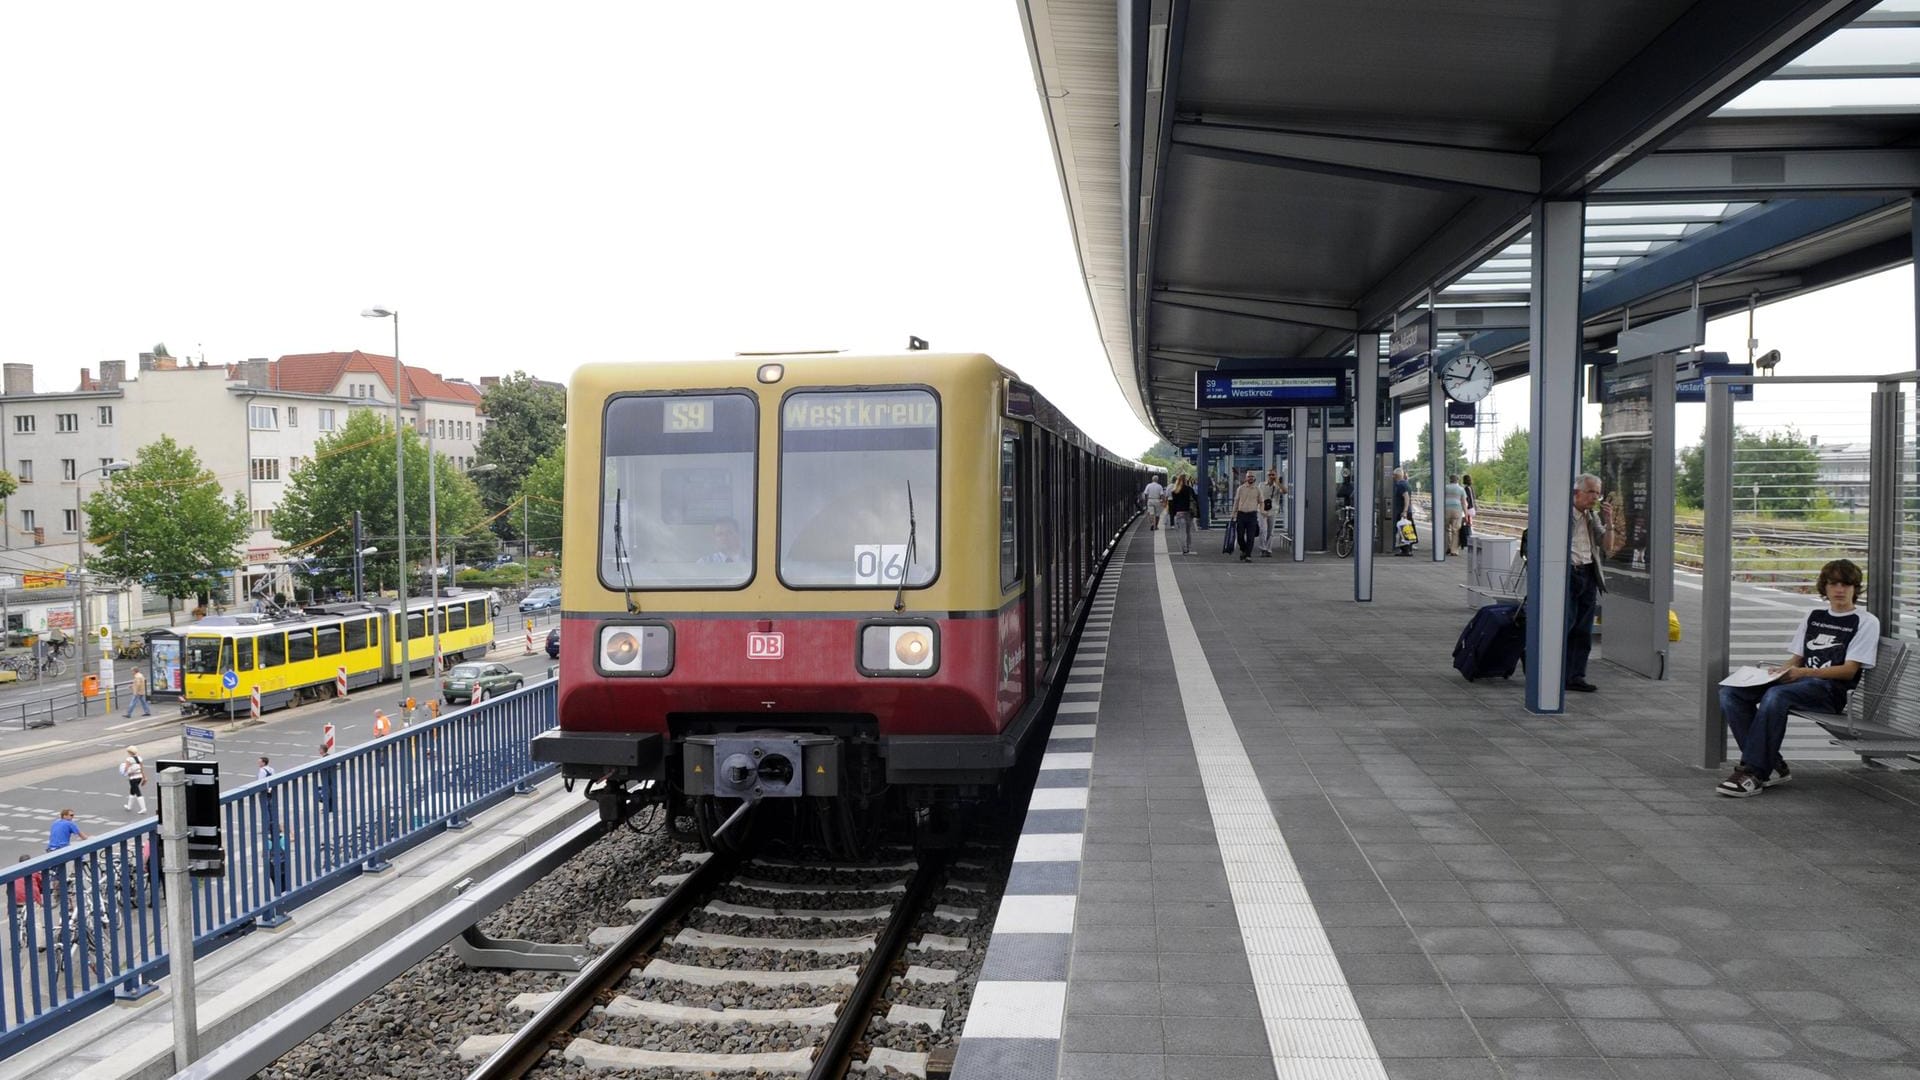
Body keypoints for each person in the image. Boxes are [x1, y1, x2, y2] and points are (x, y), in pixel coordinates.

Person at [1716, 559, 1878, 797]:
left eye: (1846, 584)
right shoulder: (1814, 616)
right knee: (1730, 694)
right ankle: (1773, 765)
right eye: (1833, 584)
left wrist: (1802, 673)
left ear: (1855, 588)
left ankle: (1754, 772)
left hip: (1829, 691)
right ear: (1825, 587)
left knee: (1776, 695)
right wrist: (1778, 673)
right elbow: (1797, 658)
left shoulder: (1865, 622)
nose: (1840, 590)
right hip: (1801, 682)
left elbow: (1849, 670)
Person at [1565, 473, 1613, 693]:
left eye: (1597, 492)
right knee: (1567, 625)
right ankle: (1557, 673)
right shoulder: (1565, 514)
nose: (1596, 497)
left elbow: (1608, 546)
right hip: (1569, 574)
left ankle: (1576, 675)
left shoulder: (1592, 516)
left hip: (1588, 574)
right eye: (1591, 492)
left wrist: (1609, 523)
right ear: (1577, 493)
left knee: (1583, 630)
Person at [1232, 470, 1262, 562]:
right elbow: (1236, 501)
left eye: (1252, 476)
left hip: (1252, 515)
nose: (1250, 478)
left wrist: (1262, 511)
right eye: (1249, 476)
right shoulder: (1240, 489)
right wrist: (1234, 514)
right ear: (1246, 478)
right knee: (1240, 536)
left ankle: (1248, 555)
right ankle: (1244, 550)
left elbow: (1261, 502)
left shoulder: (1257, 489)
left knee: (1251, 537)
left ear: (1254, 478)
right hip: (1241, 514)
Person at [1256, 468, 1286, 558]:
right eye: (1269, 475)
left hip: (1272, 511)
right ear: (1267, 476)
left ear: (1275, 476)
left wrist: (1278, 482)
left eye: (1273, 475)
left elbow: (1285, 491)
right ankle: (1263, 548)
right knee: (1263, 530)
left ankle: (1269, 549)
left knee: (1270, 531)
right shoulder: (1261, 485)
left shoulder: (1277, 486)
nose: (1271, 476)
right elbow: (1257, 497)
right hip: (1262, 510)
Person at [1166, 475, 1197, 555]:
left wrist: (1173, 513)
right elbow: (1195, 499)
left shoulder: (1175, 491)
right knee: (1188, 531)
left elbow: (1173, 504)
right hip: (1189, 513)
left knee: (1182, 531)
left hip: (1179, 513)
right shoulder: (1189, 489)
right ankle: (1188, 546)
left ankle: (1184, 548)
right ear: (1185, 480)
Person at [1443, 475, 1467, 556]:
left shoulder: (1445, 487)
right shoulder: (1461, 489)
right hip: (1457, 510)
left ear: (1450, 480)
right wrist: (1466, 514)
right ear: (1457, 480)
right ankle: (1454, 551)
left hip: (1446, 509)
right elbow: (1464, 503)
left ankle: (1446, 548)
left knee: (1446, 529)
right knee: (1455, 530)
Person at [1392, 468, 1415, 556]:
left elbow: (1406, 497)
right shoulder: (1406, 483)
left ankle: (1406, 550)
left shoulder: (1400, 485)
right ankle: (1407, 550)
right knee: (1406, 529)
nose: (1392, 477)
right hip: (1406, 511)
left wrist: (1404, 511)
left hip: (1403, 511)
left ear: (1396, 475)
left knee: (1404, 530)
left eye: (1393, 475)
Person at [119, 747, 148, 815]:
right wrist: (144, 777)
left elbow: (126, 769)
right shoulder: (139, 758)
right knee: (132, 791)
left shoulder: (128, 759)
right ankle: (129, 806)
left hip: (133, 778)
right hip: (139, 777)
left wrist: (124, 773)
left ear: (129, 752)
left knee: (137, 792)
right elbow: (142, 768)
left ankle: (143, 808)